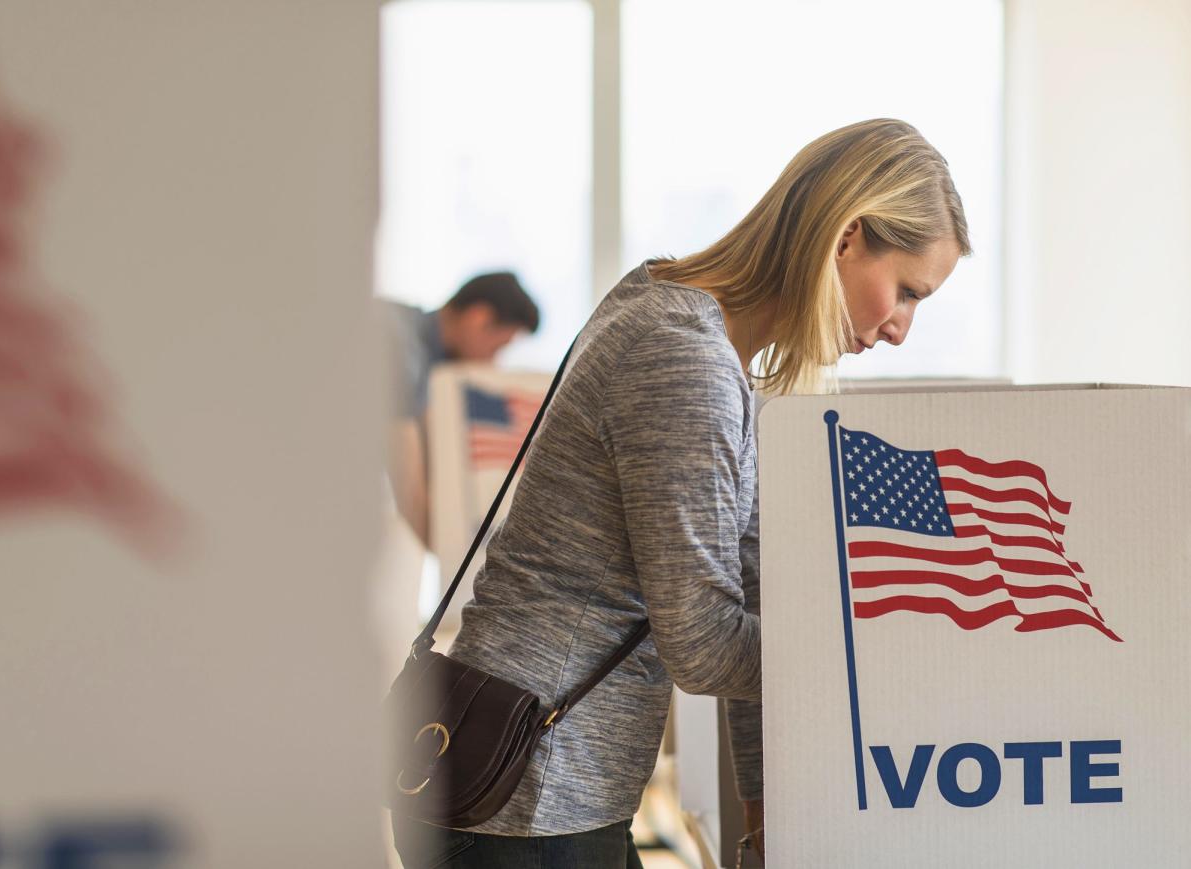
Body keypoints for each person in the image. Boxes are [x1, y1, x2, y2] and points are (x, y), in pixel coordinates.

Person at [390, 119, 971, 868]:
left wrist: (765, 812)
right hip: (528, 796)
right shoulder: (682, 358)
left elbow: (751, 591)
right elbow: (702, 643)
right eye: (906, 293)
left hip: (535, 782)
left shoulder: (680, 310)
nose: (900, 330)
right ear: (846, 237)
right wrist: (881, 656)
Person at [383, 272, 540, 545]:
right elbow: (408, 487)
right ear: (478, 318)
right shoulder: (405, 349)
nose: (493, 363)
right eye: (498, 347)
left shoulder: (413, 338)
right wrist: (458, 559)